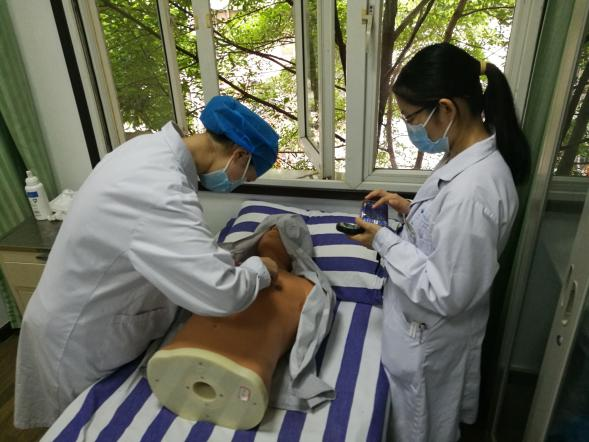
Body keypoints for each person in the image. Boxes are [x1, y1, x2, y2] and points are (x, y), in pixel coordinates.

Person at [14, 95, 281, 429]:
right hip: (81, 334)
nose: (242, 183)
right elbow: (222, 292)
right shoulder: (159, 191)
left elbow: (166, 240)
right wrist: (261, 270)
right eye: (247, 176)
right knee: (78, 425)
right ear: (239, 154)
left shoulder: (146, 149)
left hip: (82, 304)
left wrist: (217, 256)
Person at [348, 43, 531, 442]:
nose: (412, 129)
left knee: (421, 429)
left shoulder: (474, 191)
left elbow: (446, 291)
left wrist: (382, 241)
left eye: (411, 118)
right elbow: (447, 234)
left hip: (429, 338)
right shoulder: (464, 156)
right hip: (423, 327)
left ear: (446, 109)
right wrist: (408, 208)